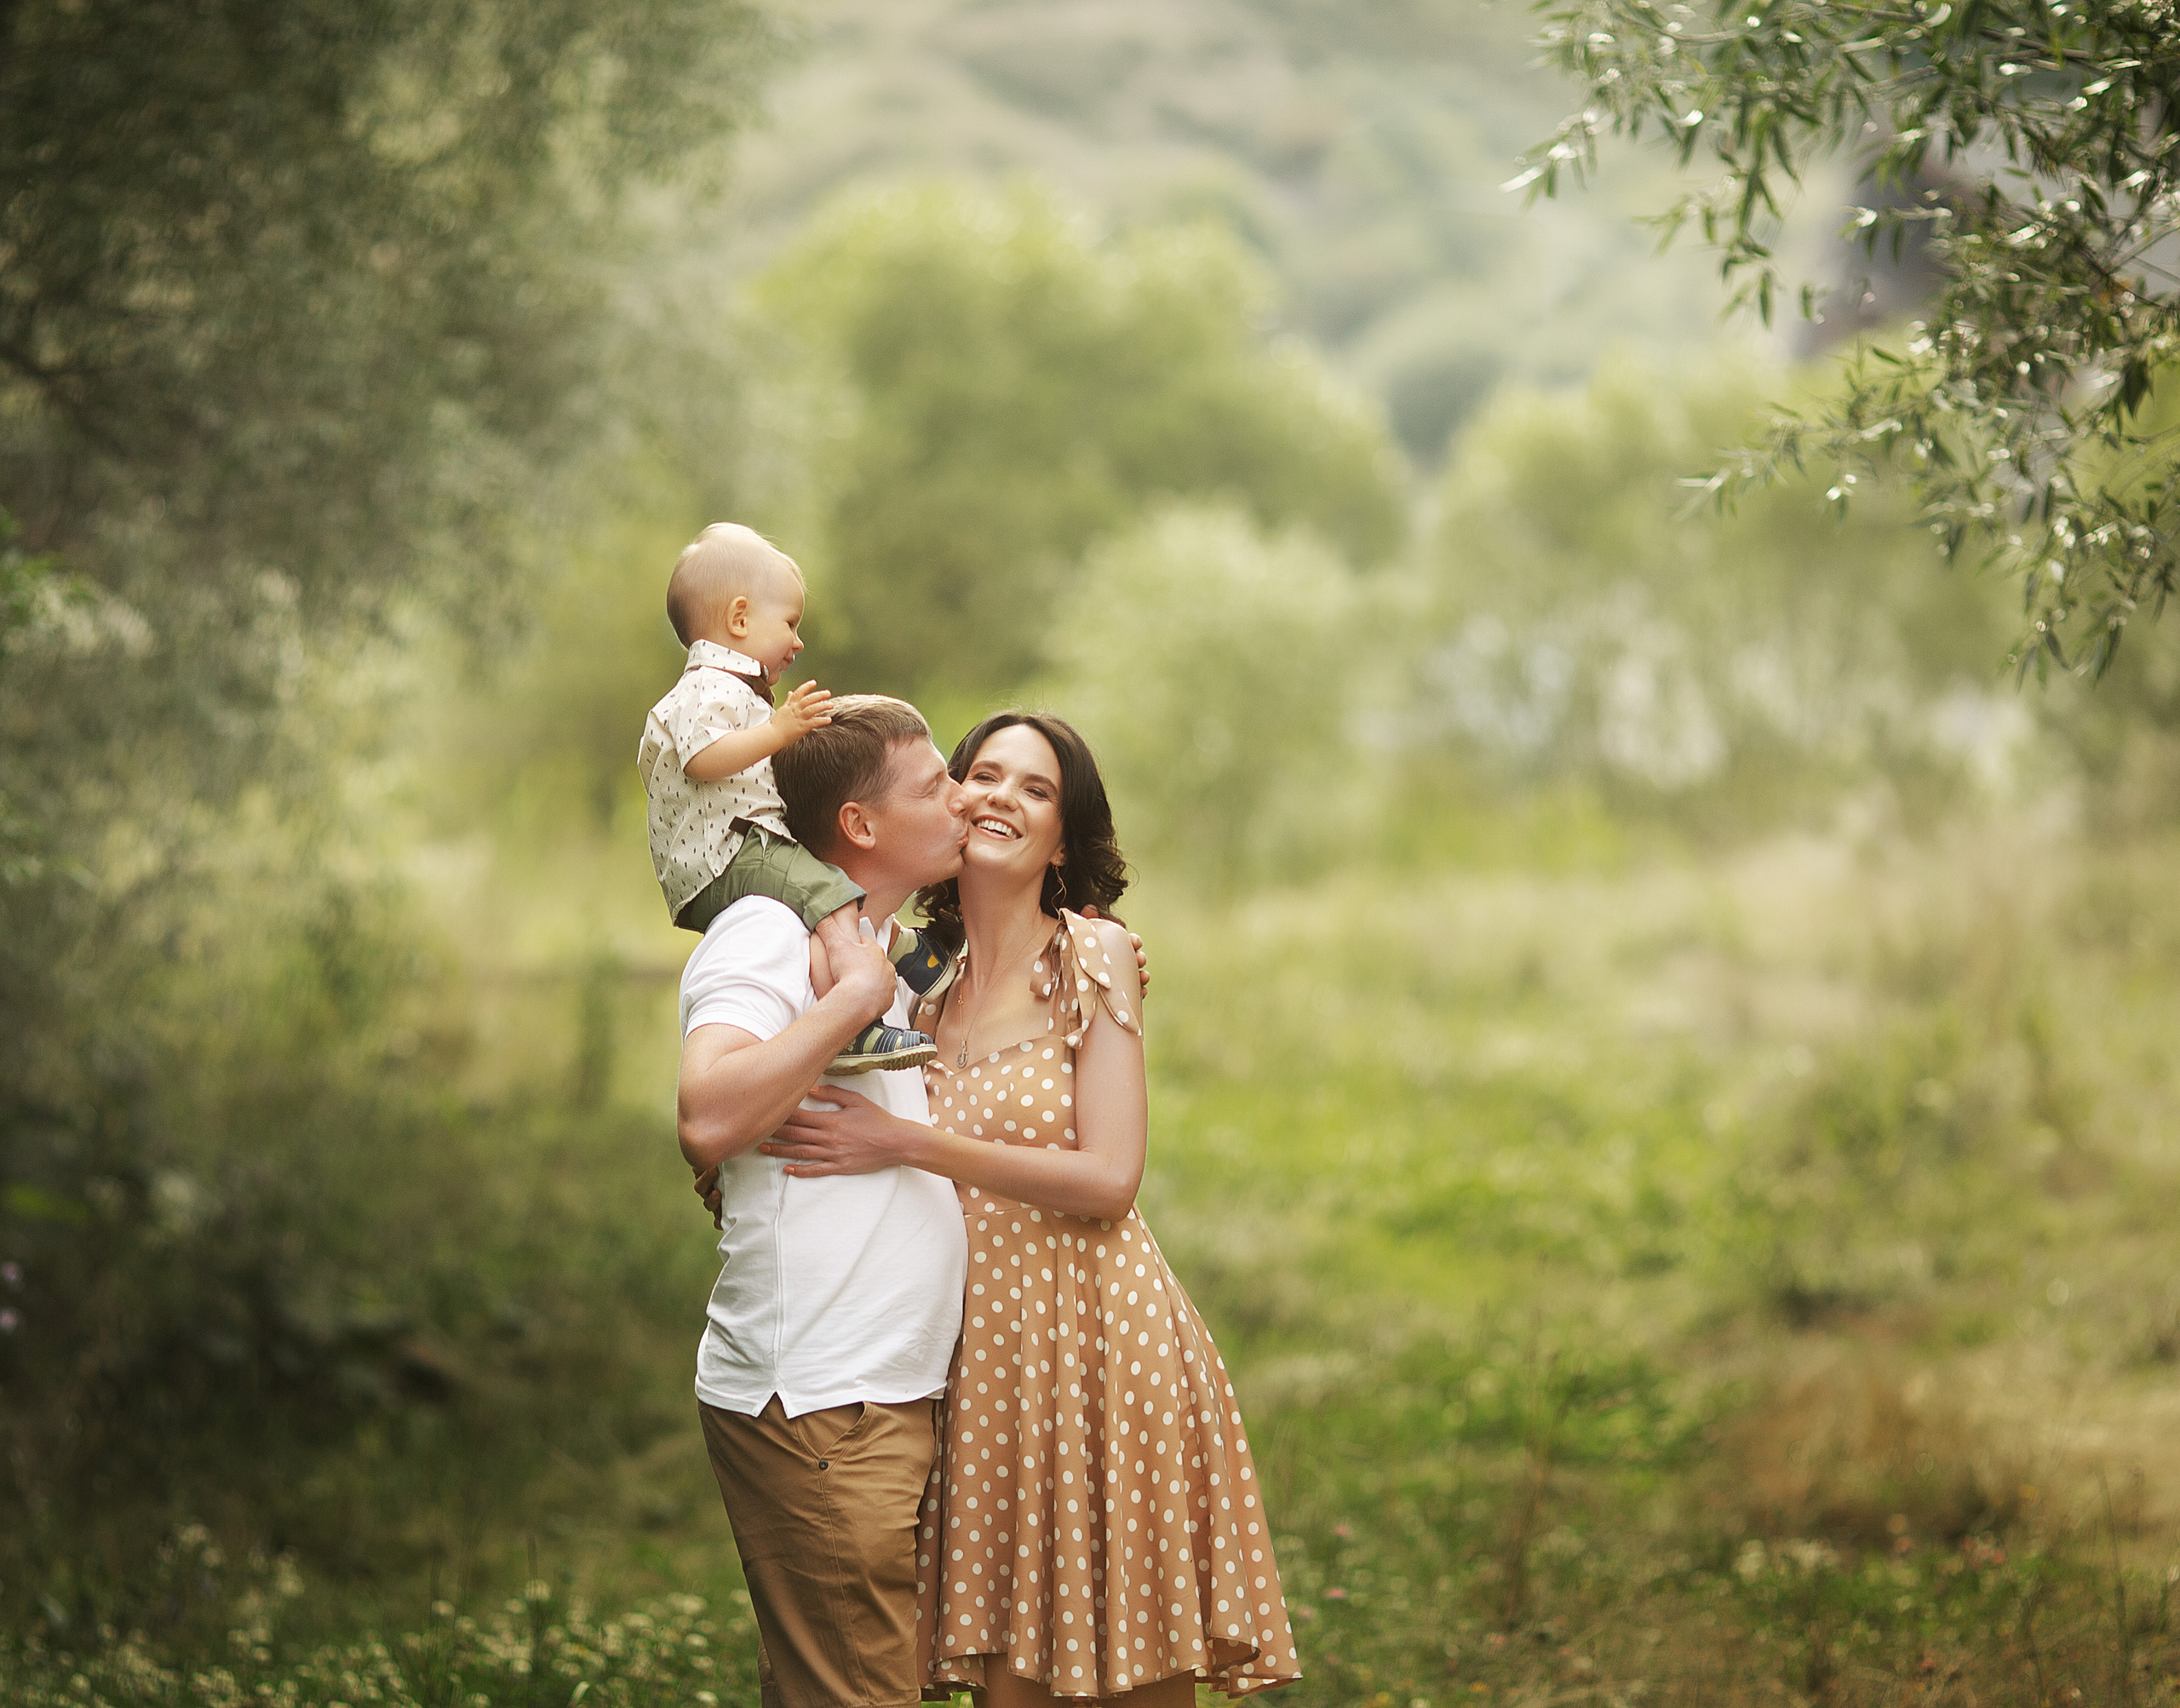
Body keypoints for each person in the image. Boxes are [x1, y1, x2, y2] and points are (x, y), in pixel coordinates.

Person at [760, 712, 1300, 1705]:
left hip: (1101, 1340)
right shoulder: (913, 981)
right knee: (1009, 1676)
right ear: (948, 796)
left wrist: (906, 1142)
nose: (1002, 796)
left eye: (1036, 788)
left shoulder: (1093, 954)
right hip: (977, 1361)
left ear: (1061, 839)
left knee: (1131, 1667)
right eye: (983, 773)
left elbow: (1111, 1177)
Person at [675, 693, 975, 1708]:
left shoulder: (878, 943)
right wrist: (852, 999)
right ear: (860, 824)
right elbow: (707, 1113)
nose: (961, 798)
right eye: (934, 785)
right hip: (817, 1397)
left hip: (872, 1389)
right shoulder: (765, 930)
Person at [640, 523, 949, 1074]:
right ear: (739, 619)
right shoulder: (706, 688)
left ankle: (898, 949)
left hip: (738, 846)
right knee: (826, 892)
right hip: (726, 853)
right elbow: (702, 759)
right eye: (789, 623)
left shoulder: (735, 690)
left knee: (823, 883)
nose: (798, 642)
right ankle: (853, 1014)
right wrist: (779, 731)